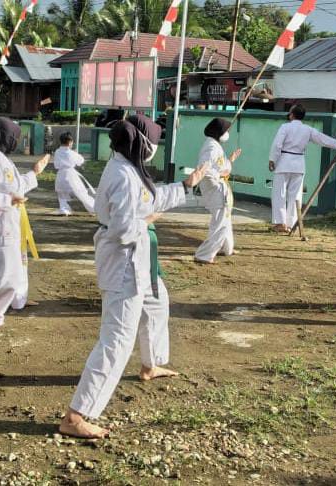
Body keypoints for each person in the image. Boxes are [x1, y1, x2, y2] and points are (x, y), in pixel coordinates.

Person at [59, 115, 208, 439]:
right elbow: (126, 228)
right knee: (116, 340)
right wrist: (150, 218)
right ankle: (76, 415)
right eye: (153, 143)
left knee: (157, 302)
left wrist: (185, 186)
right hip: (124, 262)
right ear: (141, 144)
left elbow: (148, 200)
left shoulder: (127, 167)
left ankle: (151, 363)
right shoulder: (124, 176)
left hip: (138, 259)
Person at [0, 118, 50, 328]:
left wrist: (35, 172)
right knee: (8, 277)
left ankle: (17, 301)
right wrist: (9, 200)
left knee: (19, 266)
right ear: (6, 138)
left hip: (10, 225)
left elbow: (16, 186)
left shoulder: (0, 159)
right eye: (15, 137)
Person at [268, 104, 336, 234]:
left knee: (279, 194)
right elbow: (322, 139)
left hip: (283, 162)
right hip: (299, 164)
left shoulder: (285, 127)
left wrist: (272, 159)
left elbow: (277, 145)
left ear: (292, 115)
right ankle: (291, 224)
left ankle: (280, 223)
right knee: (295, 195)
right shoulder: (307, 129)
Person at [194, 118, 241, 264]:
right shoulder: (211, 148)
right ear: (219, 132)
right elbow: (205, 168)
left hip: (219, 187)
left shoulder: (214, 145)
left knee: (225, 219)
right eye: (226, 131)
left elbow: (221, 166)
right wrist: (217, 179)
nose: (228, 134)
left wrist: (230, 160)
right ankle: (204, 255)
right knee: (220, 223)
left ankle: (227, 248)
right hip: (215, 188)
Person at [52, 132, 95, 216]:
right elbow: (81, 160)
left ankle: (64, 209)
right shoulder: (71, 153)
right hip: (71, 175)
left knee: (61, 194)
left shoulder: (57, 151)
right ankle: (93, 208)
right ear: (70, 142)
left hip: (60, 175)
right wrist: (75, 153)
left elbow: (56, 165)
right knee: (81, 192)